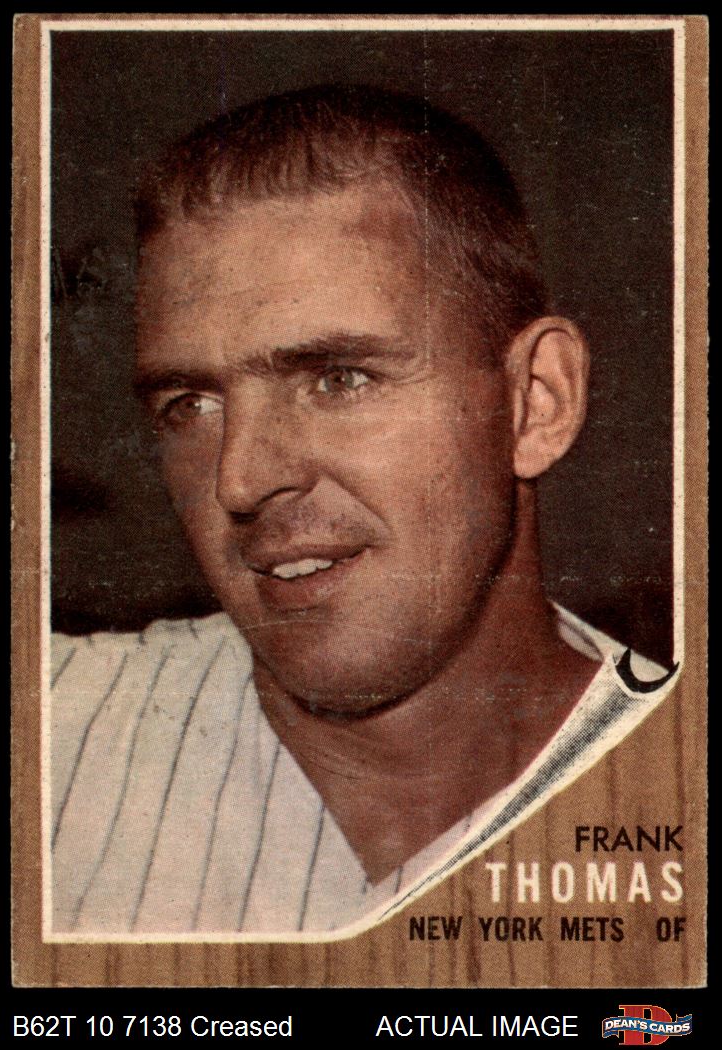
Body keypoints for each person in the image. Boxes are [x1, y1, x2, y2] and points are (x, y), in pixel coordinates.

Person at [50, 84, 674, 936]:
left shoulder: (675, 782)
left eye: (340, 379)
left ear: (536, 402)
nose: (240, 479)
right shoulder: (55, 732)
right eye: (190, 404)